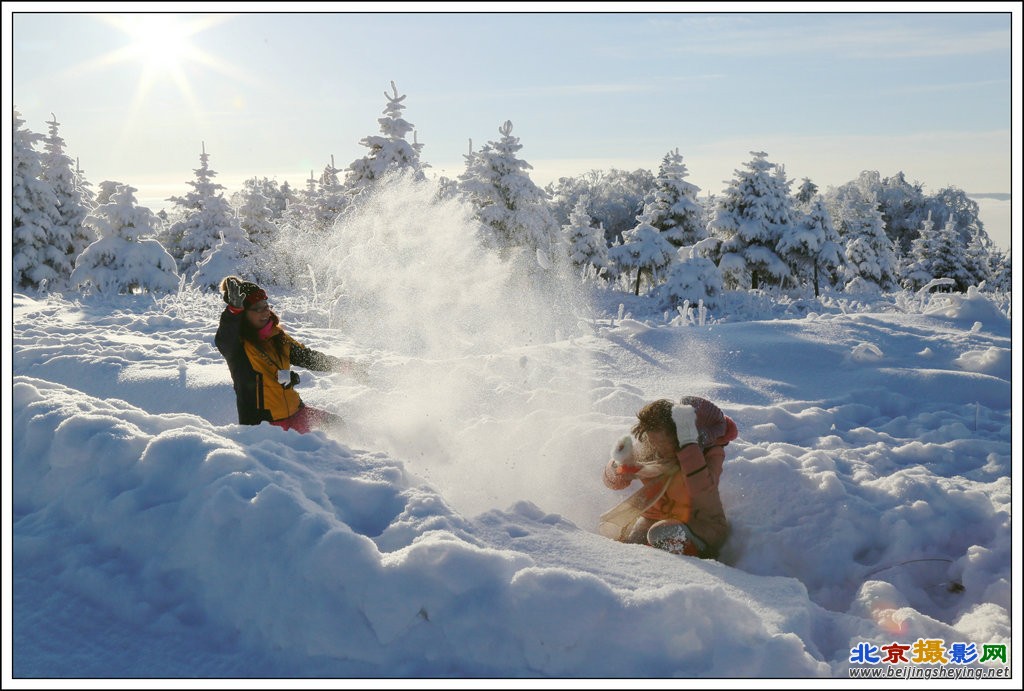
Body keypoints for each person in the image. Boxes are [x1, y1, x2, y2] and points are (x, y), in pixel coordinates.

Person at [599, 396, 738, 559]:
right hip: (654, 517)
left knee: (662, 532)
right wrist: (617, 468)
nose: (658, 447)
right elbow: (613, 481)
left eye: (664, 442)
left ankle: (691, 557)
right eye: (652, 441)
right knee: (629, 541)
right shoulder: (651, 447)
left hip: (700, 524)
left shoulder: (709, 454)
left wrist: (689, 448)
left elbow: (701, 489)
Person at [215, 275, 356, 434]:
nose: (265, 312)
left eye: (266, 306)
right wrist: (233, 313)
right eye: (257, 308)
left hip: (296, 412)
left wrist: (345, 366)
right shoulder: (238, 346)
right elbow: (225, 338)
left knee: (336, 424)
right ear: (243, 313)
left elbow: (308, 357)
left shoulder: (278, 337)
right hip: (265, 425)